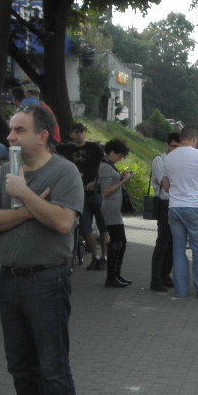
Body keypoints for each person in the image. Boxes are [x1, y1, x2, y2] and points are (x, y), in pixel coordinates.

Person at [0, 105, 83, 395]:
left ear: (42, 136)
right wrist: (31, 208)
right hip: (9, 282)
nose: (9, 136)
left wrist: (22, 194)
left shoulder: (64, 172)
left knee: (53, 368)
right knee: (21, 368)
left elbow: (63, 222)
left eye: (18, 130)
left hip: (47, 282)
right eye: (10, 129)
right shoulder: (2, 175)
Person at [163, 126, 198, 299]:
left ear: (181, 139)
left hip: (174, 208)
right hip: (195, 207)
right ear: (195, 140)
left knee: (178, 250)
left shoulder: (169, 157)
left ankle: (181, 290)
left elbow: (166, 186)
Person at [65, 122, 108, 270]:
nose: (79, 134)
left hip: (96, 193)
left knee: (103, 227)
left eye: (81, 131)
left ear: (85, 133)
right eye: (76, 132)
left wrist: (96, 181)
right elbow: (50, 150)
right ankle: (95, 256)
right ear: (72, 134)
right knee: (85, 227)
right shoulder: (68, 149)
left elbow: (104, 166)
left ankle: (104, 256)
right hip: (80, 195)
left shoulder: (94, 147)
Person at [99, 138, 135, 288]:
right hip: (110, 210)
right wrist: (123, 181)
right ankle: (111, 277)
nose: (121, 159)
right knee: (116, 242)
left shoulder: (109, 165)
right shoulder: (105, 166)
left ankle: (116, 274)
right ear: (112, 152)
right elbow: (105, 191)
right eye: (120, 155)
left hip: (114, 209)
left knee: (121, 243)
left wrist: (121, 177)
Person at [148, 132, 180, 292]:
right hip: (165, 203)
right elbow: (164, 182)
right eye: (173, 146)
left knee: (173, 243)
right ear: (167, 145)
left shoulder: (177, 160)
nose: (175, 149)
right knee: (162, 242)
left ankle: (165, 275)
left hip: (175, 203)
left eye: (178, 146)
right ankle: (156, 279)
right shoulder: (160, 160)